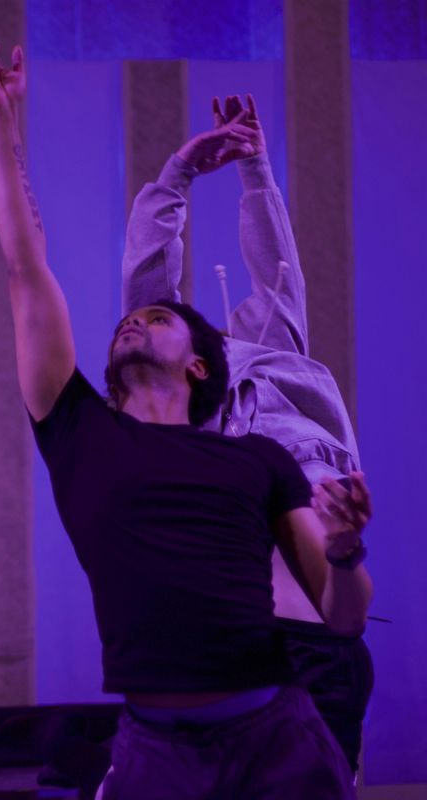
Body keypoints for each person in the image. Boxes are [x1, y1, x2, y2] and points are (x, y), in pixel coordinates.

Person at [0, 20, 371, 799]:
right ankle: (72, 749)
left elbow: (279, 278)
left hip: (286, 703)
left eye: (158, 319)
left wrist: (255, 169)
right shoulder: (89, 432)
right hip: (161, 738)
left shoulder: (264, 437)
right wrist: (3, 120)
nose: (136, 321)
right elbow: (28, 268)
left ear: (196, 362)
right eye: (134, 318)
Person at [123, 94, 374, 775]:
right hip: (232, 648)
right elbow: (146, 287)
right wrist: (175, 177)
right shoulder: (176, 404)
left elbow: (280, 273)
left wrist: (256, 169)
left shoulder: (279, 363)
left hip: (317, 639)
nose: (151, 325)